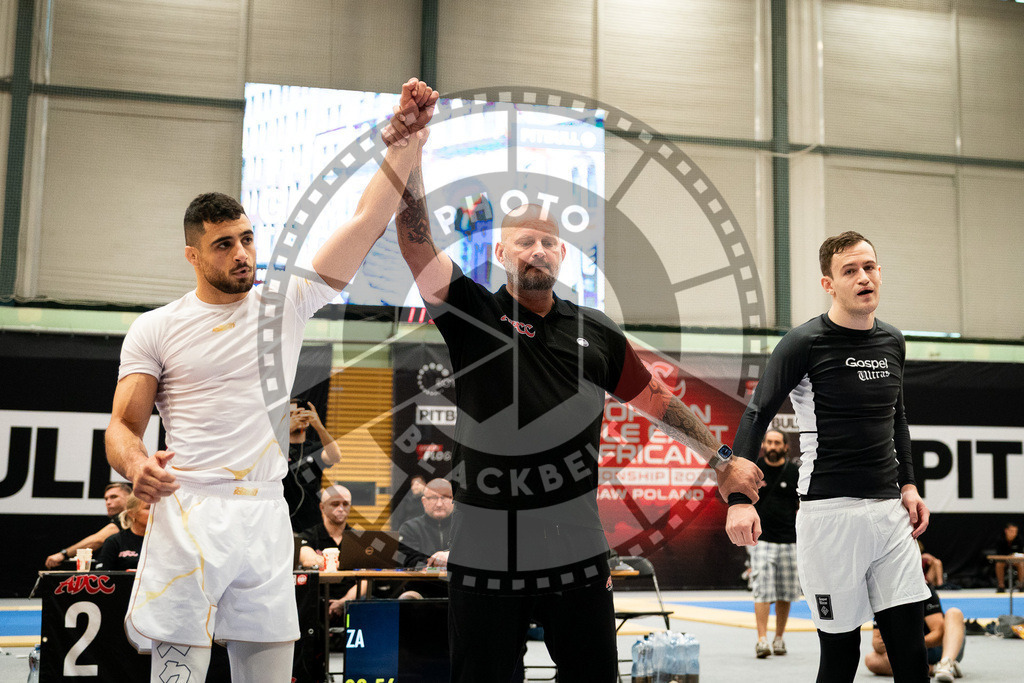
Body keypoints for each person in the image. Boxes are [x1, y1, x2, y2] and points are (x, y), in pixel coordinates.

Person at [388, 80, 764, 683]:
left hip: (574, 540)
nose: (538, 250)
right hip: (485, 541)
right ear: (503, 253)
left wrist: (721, 457)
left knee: (592, 676)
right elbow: (414, 242)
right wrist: (409, 155)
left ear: (563, 255)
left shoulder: (598, 332)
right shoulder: (470, 312)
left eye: (549, 242)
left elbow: (658, 401)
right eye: (524, 242)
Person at [104, 79, 435, 683]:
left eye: (248, 239)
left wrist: (406, 142)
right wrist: (136, 465)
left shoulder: (282, 302)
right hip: (188, 512)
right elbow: (123, 426)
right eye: (224, 244)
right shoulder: (156, 328)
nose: (242, 254)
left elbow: (366, 221)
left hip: (263, 513)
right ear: (193, 255)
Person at [727, 231, 931, 683]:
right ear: (828, 283)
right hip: (829, 516)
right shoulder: (805, 342)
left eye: (870, 267)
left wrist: (911, 485)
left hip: (889, 514)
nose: (864, 277)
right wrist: (738, 500)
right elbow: (757, 413)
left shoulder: (893, 341)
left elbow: (897, 420)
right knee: (841, 656)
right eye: (850, 270)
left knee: (911, 653)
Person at [749, 429, 799, 659]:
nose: (772, 446)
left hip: (790, 541)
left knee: (785, 593)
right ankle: (762, 640)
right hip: (762, 540)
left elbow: (801, 506)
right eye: (768, 441)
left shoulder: (794, 472)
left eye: (777, 442)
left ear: (785, 447)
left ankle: (779, 638)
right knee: (762, 592)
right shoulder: (754, 469)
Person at [864, 586, 966, 682]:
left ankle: (946, 662)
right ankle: (936, 669)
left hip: (942, 647)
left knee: (954, 613)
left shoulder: (923, 589)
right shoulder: (884, 598)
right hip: (913, 651)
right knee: (871, 660)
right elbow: (878, 645)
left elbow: (938, 635)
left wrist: (909, 645)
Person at [285, 397, 341, 532]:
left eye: (300, 414)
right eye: (291, 415)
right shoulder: (277, 447)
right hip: (282, 518)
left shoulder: (314, 448)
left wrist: (319, 426)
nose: (296, 418)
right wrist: (286, 429)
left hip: (311, 520)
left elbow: (335, 457)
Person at [44, 482, 132, 568]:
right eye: (106, 499)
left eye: (114, 497)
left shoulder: (129, 517)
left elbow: (97, 540)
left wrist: (64, 554)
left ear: (130, 498)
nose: (108, 502)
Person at [397, 478, 454, 599]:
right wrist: (441, 566)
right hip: (421, 589)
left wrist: (450, 556)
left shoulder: (464, 528)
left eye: (444, 498)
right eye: (433, 498)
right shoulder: (409, 528)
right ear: (424, 501)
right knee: (406, 598)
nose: (439, 504)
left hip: (459, 590)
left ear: (453, 500)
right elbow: (410, 564)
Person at [95, 494, 151, 571]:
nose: (154, 512)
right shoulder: (114, 541)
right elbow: (102, 576)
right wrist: (127, 576)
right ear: (132, 514)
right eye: (148, 508)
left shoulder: (166, 541)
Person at [994, 521, 1024, 593]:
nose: (1013, 533)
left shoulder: (1019, 539)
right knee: (999, 565)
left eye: (1015, 531)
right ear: (1006, 531)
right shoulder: (1000, 539)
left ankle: (1021, 585)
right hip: (1004, 561)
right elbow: (999, 554)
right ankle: (1001, 586)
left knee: (1021, 564)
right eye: (1011, 531)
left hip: (1015, 560)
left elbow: (1020, 553)